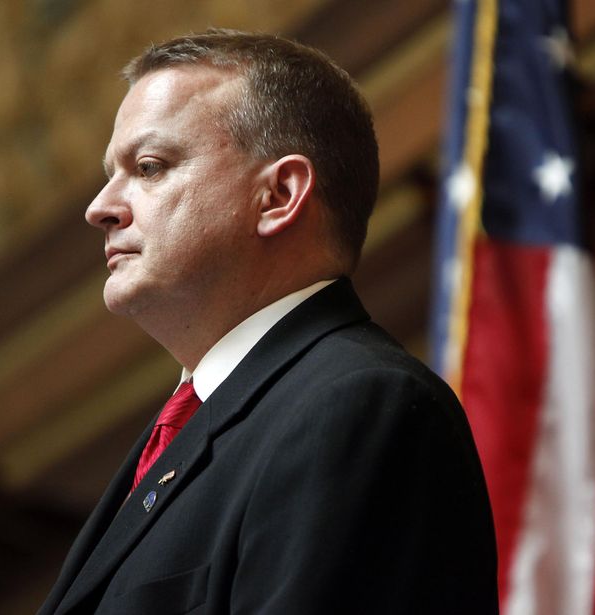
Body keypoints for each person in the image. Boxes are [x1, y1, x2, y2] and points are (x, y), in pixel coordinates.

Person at [39, 29, 498, 615]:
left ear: (279, 195)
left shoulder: (356, 406)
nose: (99, 207)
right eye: (113, 172)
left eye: (149, 166)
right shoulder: (194, 427)